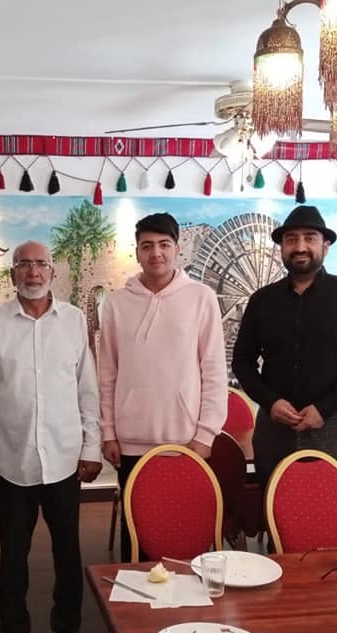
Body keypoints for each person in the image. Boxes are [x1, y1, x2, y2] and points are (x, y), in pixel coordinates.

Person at [0, 241, 102, 633]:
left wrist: (91, 446)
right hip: (12, 459)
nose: (33, 272)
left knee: (68, 550)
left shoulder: (74, 321)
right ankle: (12, 632)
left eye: (41, 264)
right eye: (24, 265)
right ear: (13, 275)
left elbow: (87, 388)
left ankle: (68, 627)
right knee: (12, 553)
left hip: (64, 458)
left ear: (52, 273)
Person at [98, 212, 227, 564]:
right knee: (137, 535)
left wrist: (206, 435)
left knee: (186, 530)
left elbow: (214, 371)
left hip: (186, 441)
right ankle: (134, 596)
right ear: (137, 252)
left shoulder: (201, 298)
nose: (156, 253)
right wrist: (108, 432)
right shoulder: (116, 304)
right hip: (131, 443)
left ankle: (193, 596)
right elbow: (106, 373)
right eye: (147, 246)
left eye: (164, 245)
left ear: (177, 249)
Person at [232, 205, 337, 487]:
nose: (300, 247)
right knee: (273, 501)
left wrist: (324, 408)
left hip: (331, 424)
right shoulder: (262, 300)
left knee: (331, 502)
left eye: (310, 238)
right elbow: (242, 360)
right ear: (281, 247)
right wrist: (270, 401)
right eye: (291, 239)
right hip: (274, 427)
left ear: (325, 245)